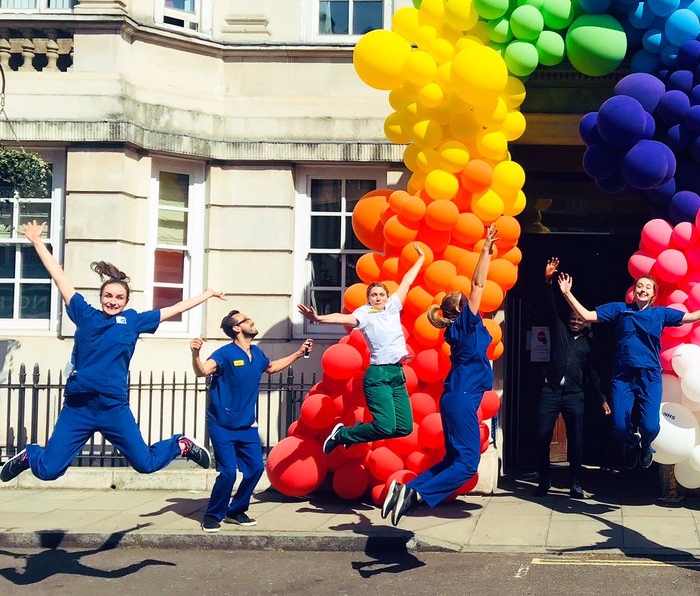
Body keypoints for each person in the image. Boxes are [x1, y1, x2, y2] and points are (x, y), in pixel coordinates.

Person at [0, 221, 220, 484]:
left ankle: (181, 445)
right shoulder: (84, 313)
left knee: (146, 464)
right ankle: (29, 456)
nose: (112, 301)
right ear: (101, 296)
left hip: (113, 407)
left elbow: (175, 309)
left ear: (126, 301)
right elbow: (60, 277)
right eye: (108, 296)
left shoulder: (133, 322)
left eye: (118, 298)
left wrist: (206, 295)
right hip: (78, 406)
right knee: (48, 471)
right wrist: (37, 241)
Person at [384, 225, 498, 524]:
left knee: (452, 460)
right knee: (468, 465)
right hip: (461, 400)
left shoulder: (461, 329)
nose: (473, 302)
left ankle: (405, 488)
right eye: (467, 301)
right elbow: (479, 283)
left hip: (456, 400)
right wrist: (485, 250)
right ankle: (416, 496)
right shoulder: (466, 324)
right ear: (461, 309)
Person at [560, 271, 700, 470]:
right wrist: (567, 293)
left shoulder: (660, 313)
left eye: (647, 287)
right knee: (619, 426)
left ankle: (646, 446)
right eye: (639, 286)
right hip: (623, 376)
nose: (643, 289)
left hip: (650, 376)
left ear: (653, 294)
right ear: (634, 291)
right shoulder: (620, 310)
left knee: (650, 427)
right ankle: (630, 442)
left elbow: (691, 317)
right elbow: (586, 315)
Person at [296, 248, 426, 460]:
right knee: (385, 427)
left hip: (396, 374)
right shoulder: (364, 314)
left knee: (403, 428)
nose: (378, 298)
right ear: (368, 298)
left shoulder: (393, 306)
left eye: (381, 294)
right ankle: (343, 434)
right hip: (378, 376)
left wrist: (420, 259)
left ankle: (356, 433)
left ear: (386, 296)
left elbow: (407, 282)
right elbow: (341, 317)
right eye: (373, 295)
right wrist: (318, 319)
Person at [190, 314, 313, 532]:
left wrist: (298, 353)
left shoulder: (256, 353)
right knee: (228, 473)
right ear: (236, 329)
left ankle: (235, 510)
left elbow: (272, 367)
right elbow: (202, 372)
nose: (252, 321)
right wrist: (195, 354)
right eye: (246, 320)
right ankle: (212, 514)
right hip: (222, 425)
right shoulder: (225, 354)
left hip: (247, 426)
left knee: (256, 469)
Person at [536, 257, 611, 498]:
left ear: (586, 323)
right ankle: (544, 481)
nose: (575, 322)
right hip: (551, 392)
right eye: (573, 319)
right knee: (543, 435)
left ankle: (575, 483)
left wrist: (601, 398)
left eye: (580, 319)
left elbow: (593, 374)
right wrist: (548, 281)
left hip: (574, 396)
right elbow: (550, 307)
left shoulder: (588, 346)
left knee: (576, 440)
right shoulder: (559, 331)